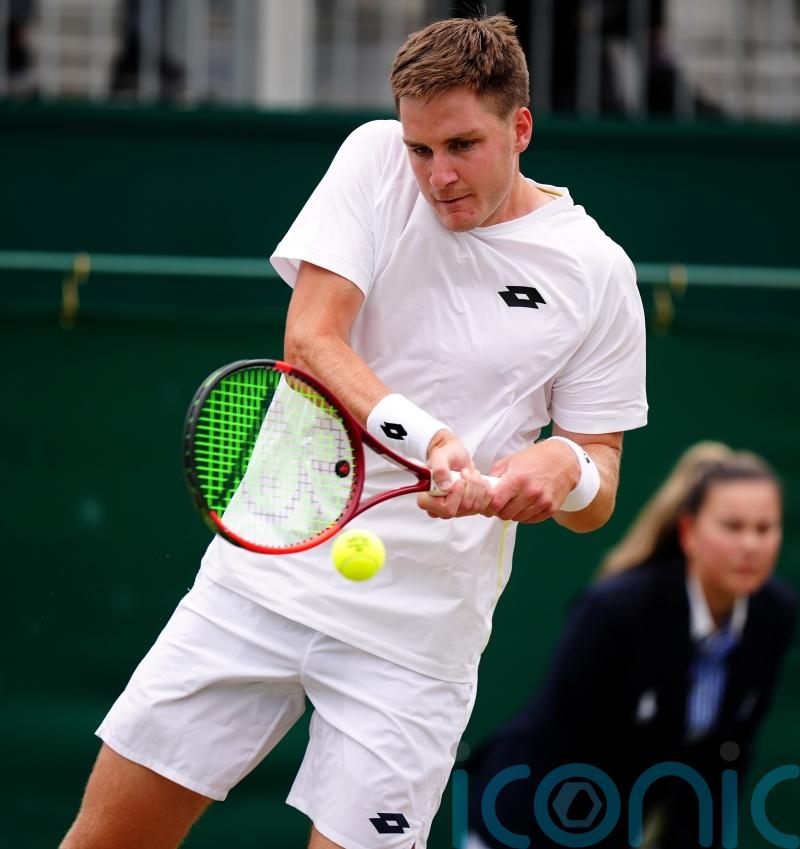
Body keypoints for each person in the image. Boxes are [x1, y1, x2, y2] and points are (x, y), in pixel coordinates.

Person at [60, 14, 647, 849]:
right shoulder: (373, 160)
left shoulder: (597, 274)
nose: (436, 175)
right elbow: (310, 339)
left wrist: (565, 469)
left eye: (461, 146)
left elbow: (601, 477)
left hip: (416, 643)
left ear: (520, 128)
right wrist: (433, 439)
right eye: (421, 149)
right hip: (261, 576)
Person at [464, 442, 796, 849]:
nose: (750, 545)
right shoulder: (618, 610)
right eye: (732, 527)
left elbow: (726, 756)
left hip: (621, 819)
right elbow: (564, 748)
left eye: (764, 529)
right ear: (689, 532)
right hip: (527, 817)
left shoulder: (773, 615)